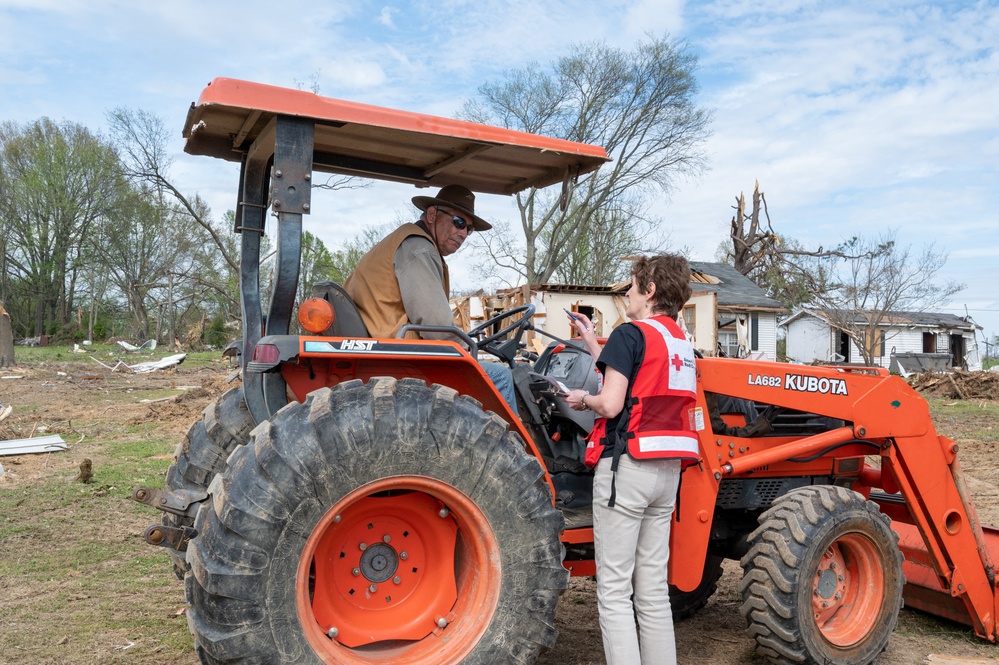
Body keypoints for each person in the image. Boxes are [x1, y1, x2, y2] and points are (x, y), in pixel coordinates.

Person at [564, 254, 699, 665]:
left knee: (614, 591)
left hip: (627, 470)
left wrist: (579, 398)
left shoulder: (630, 333)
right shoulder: (681, 342)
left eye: (632, 285)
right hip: (667, 473)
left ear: (651, 290)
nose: (626, 292)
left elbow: (609, 403)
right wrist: (592, 342)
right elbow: (643, 372)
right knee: (653, 590)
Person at [343, 184, 517, 413]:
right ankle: (511, 449)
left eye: (469, 229)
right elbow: (437, 327)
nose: (463, 233)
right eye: (459, 222)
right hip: (400, 358)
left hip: (386, 350)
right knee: (501, 376)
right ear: (433, 215)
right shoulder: (419, 248)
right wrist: (467, 347)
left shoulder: (408, 243)